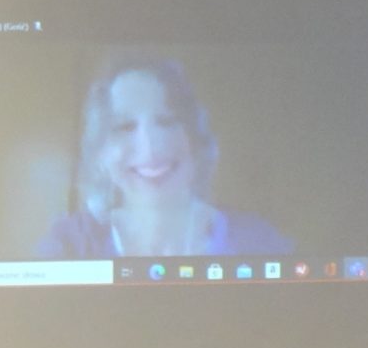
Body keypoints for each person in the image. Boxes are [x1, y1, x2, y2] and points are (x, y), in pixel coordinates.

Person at [36, 56, 290, 258]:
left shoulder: (259, 241)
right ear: (100, 152)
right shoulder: (68, 243)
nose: (151, 146)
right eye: (124, 126)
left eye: (167, 121)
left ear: (194, 136)